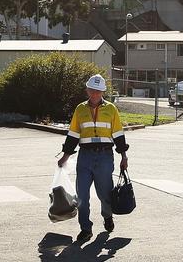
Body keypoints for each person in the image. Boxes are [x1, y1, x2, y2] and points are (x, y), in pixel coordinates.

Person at [57, 74, 129, 244]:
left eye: (98, 91)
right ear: (87, 90)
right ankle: (85, 229)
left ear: (102, 91)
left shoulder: (111, 109)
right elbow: (73, 134)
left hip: (105, 156)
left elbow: (118, 134)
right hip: (85, 157)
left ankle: (107, 216)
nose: (94, 94)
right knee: (82, 194)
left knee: (105, 194)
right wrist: (65, 156)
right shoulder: (80, 109)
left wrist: (124, 156)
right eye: (92, 90)